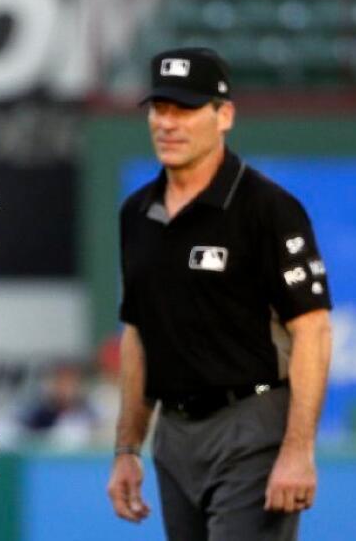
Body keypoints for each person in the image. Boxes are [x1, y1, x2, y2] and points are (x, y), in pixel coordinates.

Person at [106, 47, 333, 540]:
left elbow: (313, 329)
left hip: (251, 427)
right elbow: (138, 334)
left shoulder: (268, 208)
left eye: (185, 110)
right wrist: (127, 449)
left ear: (223, 115)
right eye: (159, 109)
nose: (168, 123)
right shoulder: (136, 212)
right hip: (175, 435)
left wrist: (297, 451)